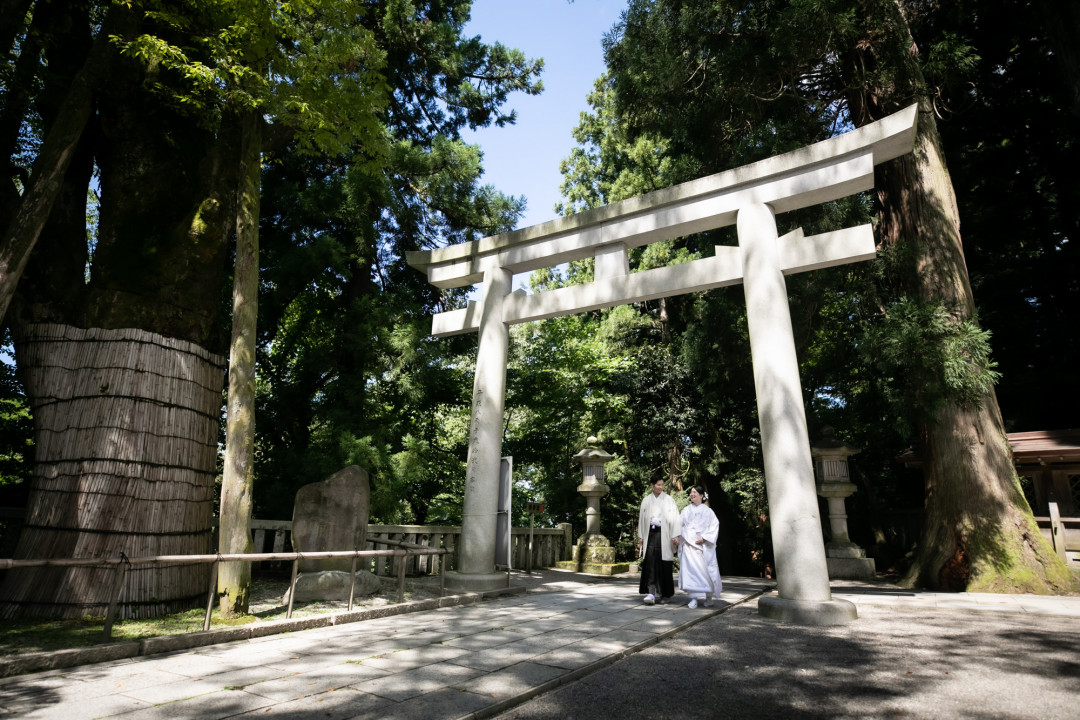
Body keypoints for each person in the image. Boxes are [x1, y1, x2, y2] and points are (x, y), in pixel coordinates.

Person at [676, 484, 722, 609]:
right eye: (691, 492)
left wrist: (705, 538)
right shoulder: (686, 510)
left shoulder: (708, 511)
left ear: (702, 495)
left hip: (703, 546)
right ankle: (693, 598)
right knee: (690, 572)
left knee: (706, 572)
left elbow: (714, 526)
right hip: (689, 545)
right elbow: (679, 525)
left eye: (695, 492)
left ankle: (708, 597)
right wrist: (677, 538)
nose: (692, 494)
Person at [637, 476, 681, 605]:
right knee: (650, 562)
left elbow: (675, 518)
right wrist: (641, 537)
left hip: (664, 535)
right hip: (650, 533)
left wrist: (675, 535)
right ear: (652, 485)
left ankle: (665, 594)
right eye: (658, 485)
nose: (661, 487)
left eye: (662, 485)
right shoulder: (646, 500)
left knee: (664, 564)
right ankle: (651, 592)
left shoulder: (669, 500)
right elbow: (641, 520)